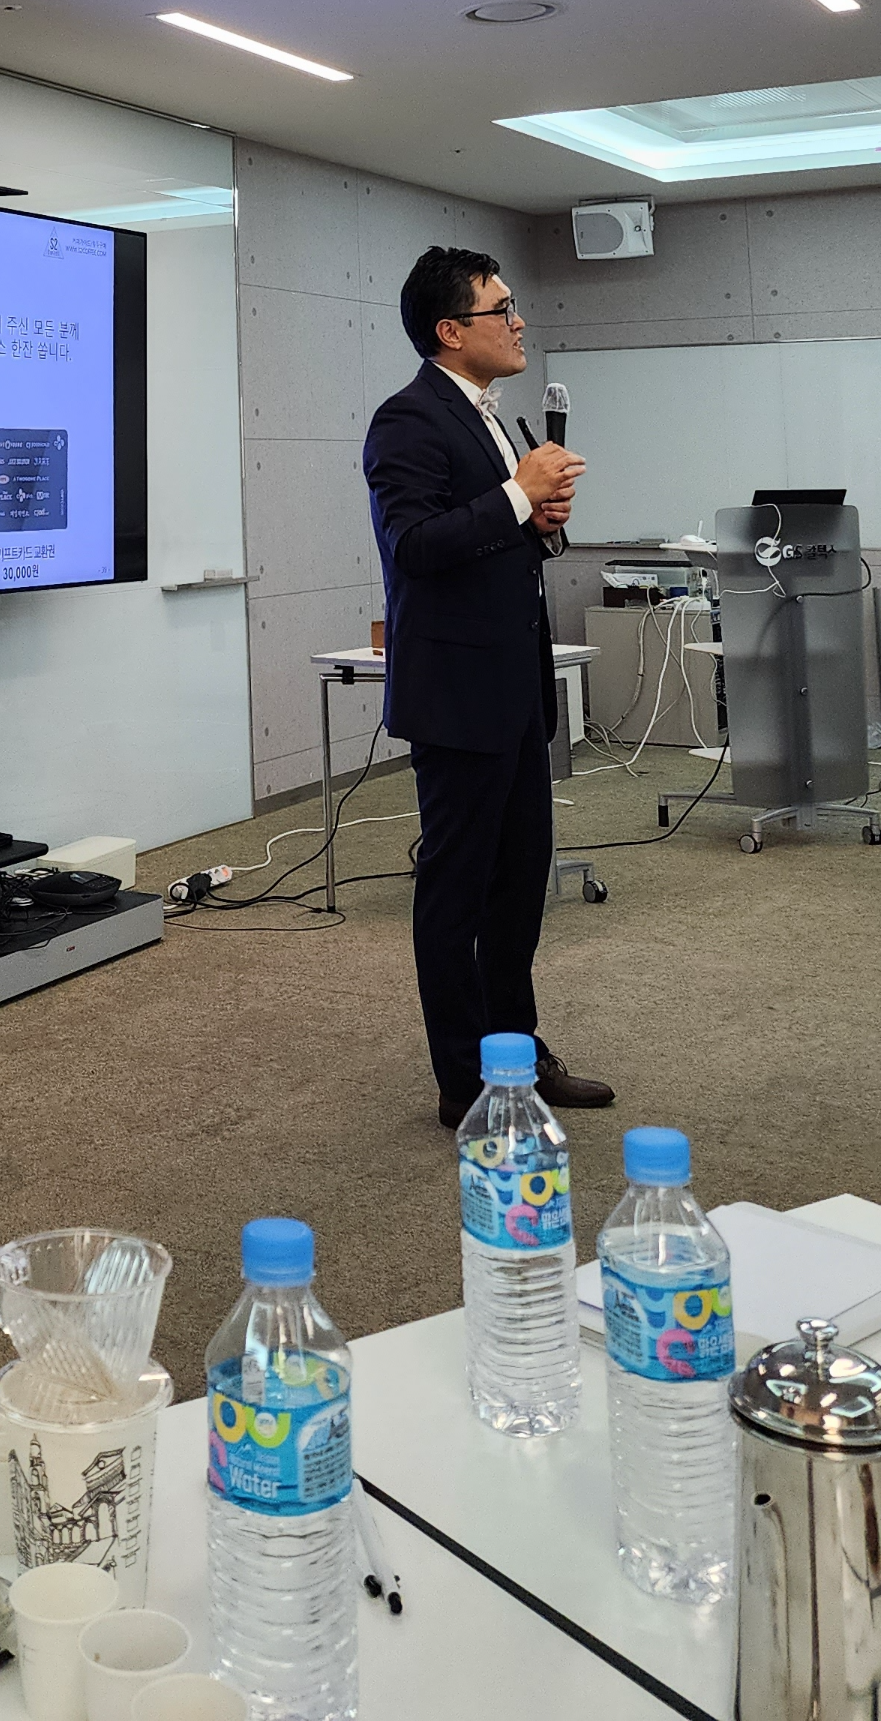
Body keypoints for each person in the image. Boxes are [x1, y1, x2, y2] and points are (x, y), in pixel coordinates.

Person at [362, 244, 615, 1128]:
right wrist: (516, 493)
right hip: (457, 697)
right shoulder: (408, 418)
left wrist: (536, 519)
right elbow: (413, 546)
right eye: (500, 309)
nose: (517, 321)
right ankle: (463, 1080)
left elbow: (493, 539)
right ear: (449, 329)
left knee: (517, 885)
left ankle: (518, 1053)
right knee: (456, 891)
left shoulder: (492, 417)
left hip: (514, 692)